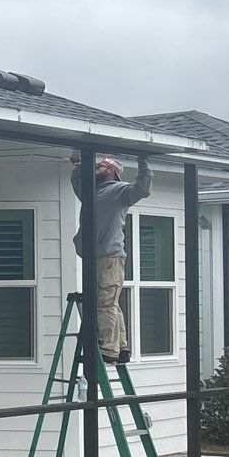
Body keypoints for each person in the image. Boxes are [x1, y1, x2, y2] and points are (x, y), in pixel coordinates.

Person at [68, 152, 152, 364]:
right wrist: (78, 163)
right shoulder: (90, 191)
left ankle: (109, 350)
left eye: (101, 166)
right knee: (109, 303)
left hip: (110, 257)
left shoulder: (120, 191)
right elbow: (77, 181)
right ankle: (121, 348)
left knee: (105, 304)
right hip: (92, 257)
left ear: (113, 170)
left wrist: (143, 161)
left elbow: (142, 189)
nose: (96, 169)